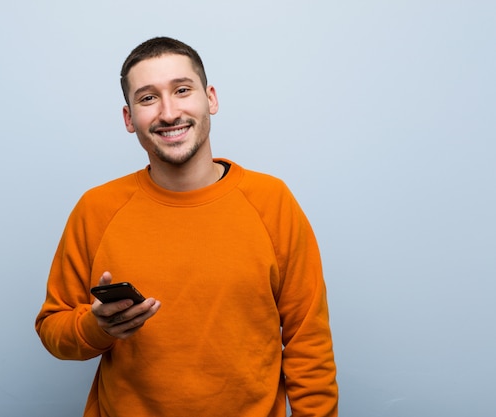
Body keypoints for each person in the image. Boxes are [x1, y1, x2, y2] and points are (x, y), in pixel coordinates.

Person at [35, 36, 338, 417]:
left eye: (182, 90)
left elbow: (308, 342)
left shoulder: (271, 201)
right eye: (147, 98)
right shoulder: (96, 208)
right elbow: (52, 328)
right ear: (129, 119)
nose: (168, 112)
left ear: (210, 98)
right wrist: (98, 329)